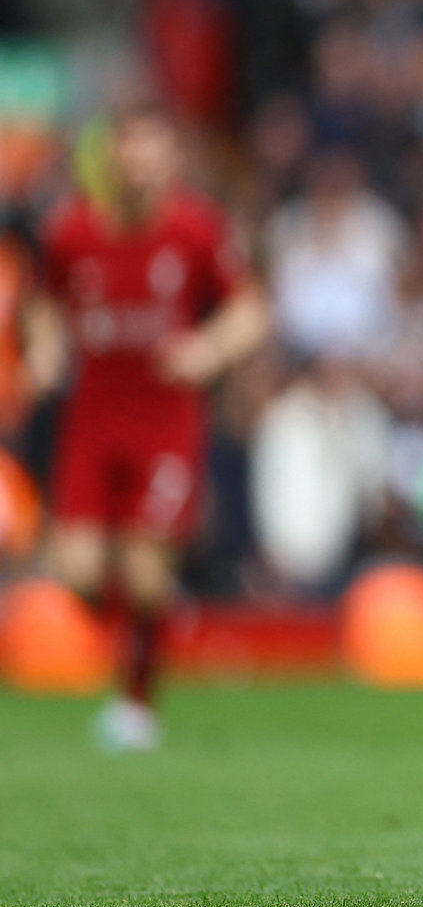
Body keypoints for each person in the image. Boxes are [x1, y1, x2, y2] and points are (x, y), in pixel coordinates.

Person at [28, 102, 269, 750]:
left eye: (151, 149)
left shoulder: (197, 231)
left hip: (165, 423)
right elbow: (46, 307)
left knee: (139, 568)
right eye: (128, 148)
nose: (137, 162)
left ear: (172, 161)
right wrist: (46, 351)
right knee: (74, 571)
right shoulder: (69, 233)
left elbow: (250, 311)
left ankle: (136, 706)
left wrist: (206, 350)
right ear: (112, 159)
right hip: (93, 421)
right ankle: (159, 611)